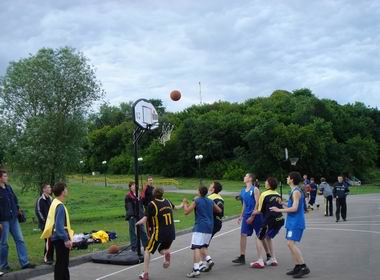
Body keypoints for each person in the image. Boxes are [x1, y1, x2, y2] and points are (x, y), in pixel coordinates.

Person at [136, 187, 183, 280]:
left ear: (154, 194)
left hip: (159, 232)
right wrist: (183, 204)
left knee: (147, 250)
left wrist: (137, 223)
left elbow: (145, 219)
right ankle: (166, 253)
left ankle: (145, 274)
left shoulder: (152, 204)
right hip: (171, 232)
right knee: (162, 249)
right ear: (163, 194)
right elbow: (176, 208)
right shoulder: (168, 202)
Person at [270, 171, 310, 278]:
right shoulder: (293, 191)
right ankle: (297, 266)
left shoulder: (296, 192)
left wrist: (278, 210)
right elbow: (291, 204)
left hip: (296, 222)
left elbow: (294, 208)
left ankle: (303, 266)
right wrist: (282, 203)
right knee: (290, 244)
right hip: (292, 221)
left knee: (290, 244)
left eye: (288, 177)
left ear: (292, 179)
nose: (287, 178)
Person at [0, 169, 36, 273]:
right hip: (3, 221)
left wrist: (18, 210)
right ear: (0, 178)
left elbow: (15, 200)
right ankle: (4, 266)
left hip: (13, 219)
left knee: (20, 240)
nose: (7, 178)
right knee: (4, 243)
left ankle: (25, 263)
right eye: (5, 176)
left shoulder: (8, 188)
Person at [183, 185, 221, 278]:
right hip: (209, 226)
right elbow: (219, 210)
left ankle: (196, 270)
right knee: (203, 246)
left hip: (200, 226)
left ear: (199, 192)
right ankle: (209, 260)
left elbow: (186, 212)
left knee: (196, 247)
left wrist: (185, 203)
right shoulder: (210, 201)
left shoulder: (197, 200)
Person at [41, 182, 74, 280]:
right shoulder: (60, 206)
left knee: (62, 264)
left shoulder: (54, 202)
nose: (67, 191)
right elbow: (59, 226)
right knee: (62, 264)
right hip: (60, 238)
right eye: (66, 189)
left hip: (56, 237)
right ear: (63, 192)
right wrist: (66, 239)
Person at [250, 177, 284, 267]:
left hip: (269, 220)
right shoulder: (277, 194)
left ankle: (260, 260)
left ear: (269, 184)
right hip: (280, 220)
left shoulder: (264, 194)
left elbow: (260, 210)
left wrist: (253, 213)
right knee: (268, 237)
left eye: (266, 181)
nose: (264, 182)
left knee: (258, 238)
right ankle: (273, 259)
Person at [232, 173, 264, 266]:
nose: (244, 177)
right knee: (243, 234)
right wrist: (241, 216)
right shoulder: (243, 191)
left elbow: (257, 204)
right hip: (246, 216)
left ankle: (265, 256)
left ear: (250, 179)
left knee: (259, 236)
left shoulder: (255, 189)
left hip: (256, 216)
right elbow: (244, 205)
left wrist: (253, 216)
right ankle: (242, 256)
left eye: (245, 176)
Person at [199, 181, 225, 272]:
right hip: (218, 223)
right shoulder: (221, 198)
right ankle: (202, 263)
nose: (209, 185)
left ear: (213, 189)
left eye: (211, 185)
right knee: (204, 243)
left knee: (201, 243)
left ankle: (206, 262)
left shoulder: (209, 198)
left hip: (211, 223)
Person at [125, 181, 148, 252]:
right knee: (132, 231)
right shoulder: (128, 196)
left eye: (135, 185)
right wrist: (131, 215)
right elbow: (129, 207)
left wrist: (143, 214)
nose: (134, 186)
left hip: (140, 215)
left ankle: (146, 246)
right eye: (132, 185)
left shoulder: (139, 195)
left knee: (142, 231)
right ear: (130, 187)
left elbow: (142, 204)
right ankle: (134, 248)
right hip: (132, 216)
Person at [35, 183, 54, 264]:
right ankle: (46, 258)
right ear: (44, 189)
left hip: (51, 224)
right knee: (48, 241)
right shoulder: (40, 200)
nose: (50, 189)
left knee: (52, 240)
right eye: (48, 187)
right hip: (44, 224)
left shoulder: (50, 198)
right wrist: (45, 222)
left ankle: (51, 257)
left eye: (50, 187)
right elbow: (38, 212)